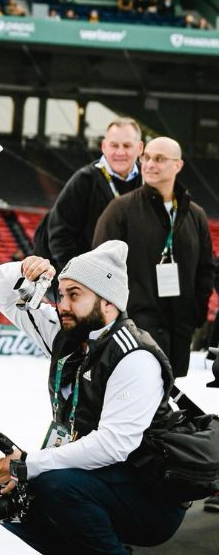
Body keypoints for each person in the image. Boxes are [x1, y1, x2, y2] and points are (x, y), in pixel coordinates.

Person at [0, 241, 187, 555]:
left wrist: (28, 464)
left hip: (151, 496)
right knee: (5, 496)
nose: (61, 304)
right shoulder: (68, 334)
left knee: (50, 484)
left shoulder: (134, 356)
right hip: (102, 479)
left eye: (73, 295)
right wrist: (23, 270)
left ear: (108, 302)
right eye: (60, 293)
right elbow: (1, 294)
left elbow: (114, 445)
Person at [93, 136, 213, 378]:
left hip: (179, 329)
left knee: (166, 399)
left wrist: (194, 315)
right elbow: (99, 268)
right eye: (145, 157)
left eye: (159, 159)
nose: (149, 164)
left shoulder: (196, 215)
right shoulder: (120, 209)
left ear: (177, 165)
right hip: (133, 330)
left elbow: (205, 270)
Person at [36, 118, 143, 272]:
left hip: (128, 279)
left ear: (139, 148)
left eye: (127, 146)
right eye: (114, 145)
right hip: (88, 278)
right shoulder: (85, 180)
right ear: (104, 147)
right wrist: (78, 275)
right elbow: (60, 234)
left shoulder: (149, 181)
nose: (120, 152)